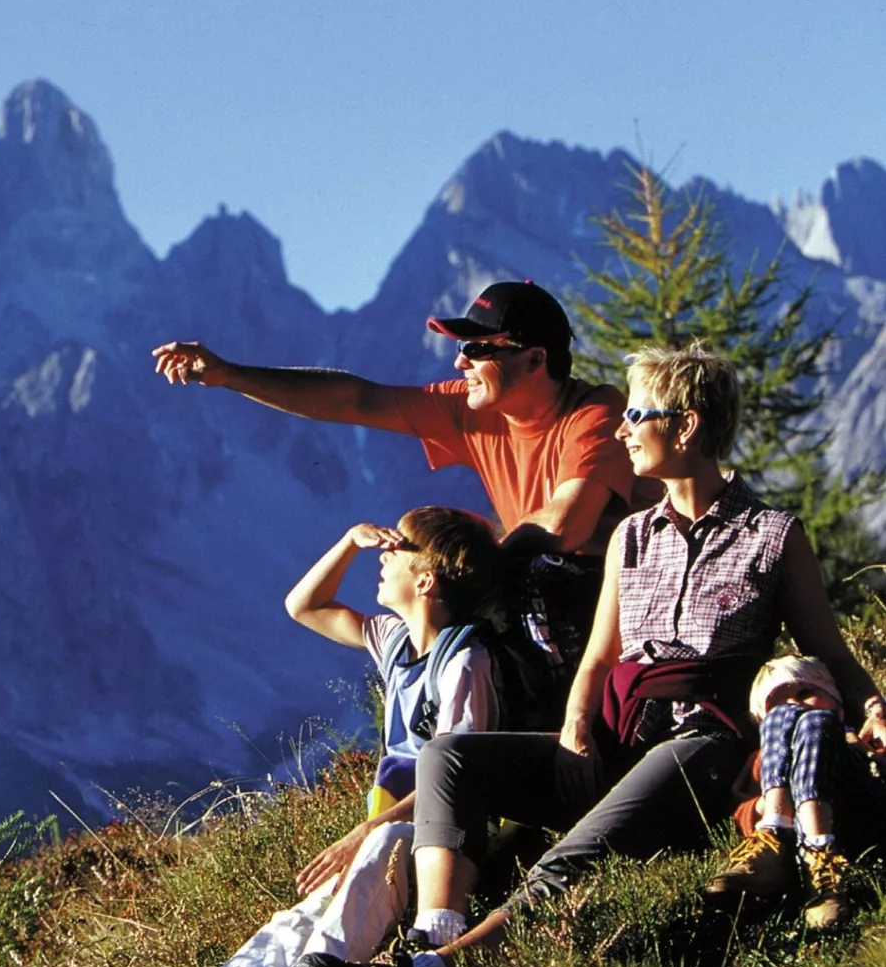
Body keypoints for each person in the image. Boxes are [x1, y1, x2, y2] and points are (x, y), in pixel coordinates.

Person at [283, 343, 886, 967]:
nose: (621, 429)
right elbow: (599, 656)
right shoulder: (632, 535)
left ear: (684, 427)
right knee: (446, 758)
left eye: (636, 415)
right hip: (610, 729)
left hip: (702, 739)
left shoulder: (772, 536)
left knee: (579, 847)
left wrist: (872, 706)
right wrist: (574, 725)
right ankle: (434, 935)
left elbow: (827, 649)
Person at [67, 506, 502, 967]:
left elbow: (457, 779)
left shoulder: (463, 660)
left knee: (381, 848)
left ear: (426, 578)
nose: (383, 554)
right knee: (302, 913)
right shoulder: (393, 641)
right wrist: (349, 541)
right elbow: (305, 605)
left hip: (433, 838)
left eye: (398, 547)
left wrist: (365, 832)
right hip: (388, 825)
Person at [154, 280, 641, 715]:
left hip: (612, 612)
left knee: (538, 575)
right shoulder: (468, 408)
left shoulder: (594, 411)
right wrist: (230, 375)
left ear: (535, 359)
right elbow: (359, 400)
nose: (460, 361)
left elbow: (566, 525)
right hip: (542, 610)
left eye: (477, 348)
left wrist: (470, 568)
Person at [707, 655, 886, 928]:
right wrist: (763, 806)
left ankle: (818, 852)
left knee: (815, 723)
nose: (793, 705)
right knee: (798, 724)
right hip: (793, 832)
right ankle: (781, 840)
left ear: (838, 702)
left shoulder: (864, 739)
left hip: (859, 815)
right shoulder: (764, 759)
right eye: (777, 705)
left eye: (806, 693)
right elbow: (738, 810)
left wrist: (867, 749)